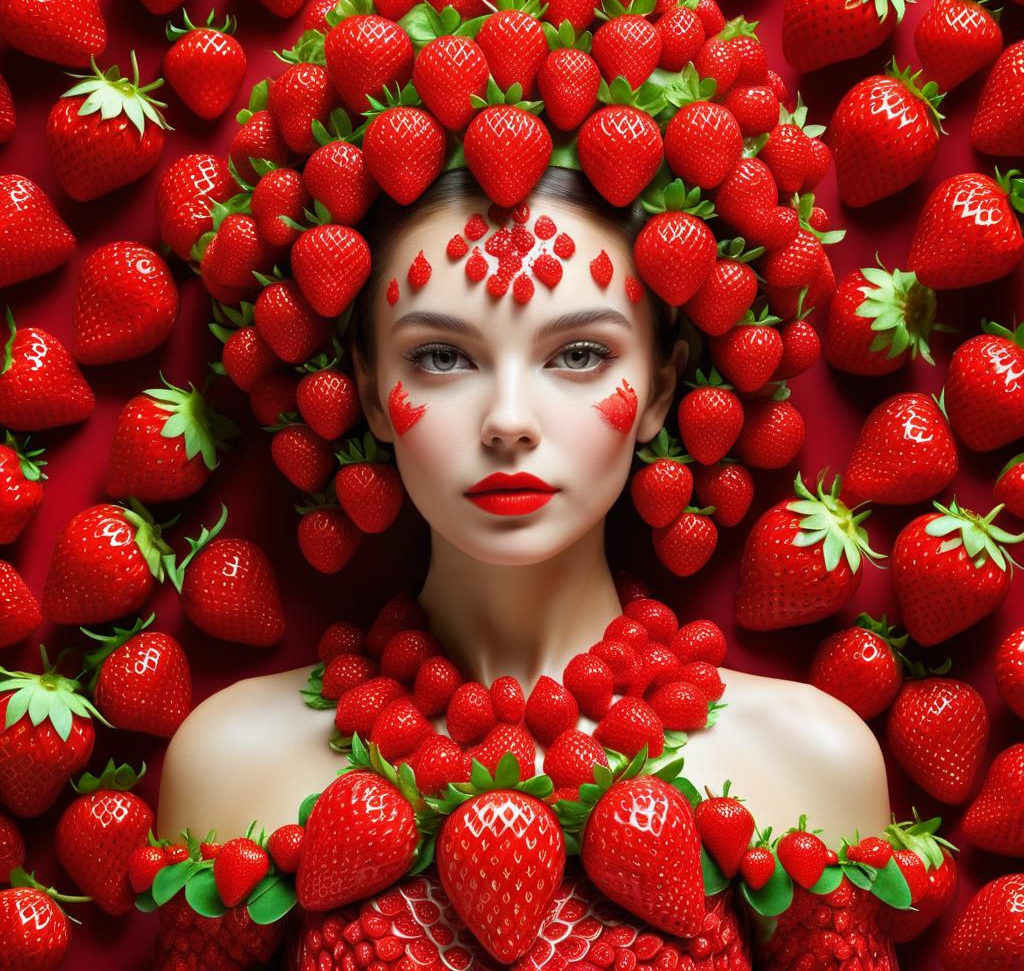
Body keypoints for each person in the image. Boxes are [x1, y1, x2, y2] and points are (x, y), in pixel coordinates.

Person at [158, 166, 891, 868]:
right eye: (443, 357)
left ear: (661, 390)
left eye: (578, 353)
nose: (508, 421)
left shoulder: (813, 761)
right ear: (372, 390)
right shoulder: (230, 760)